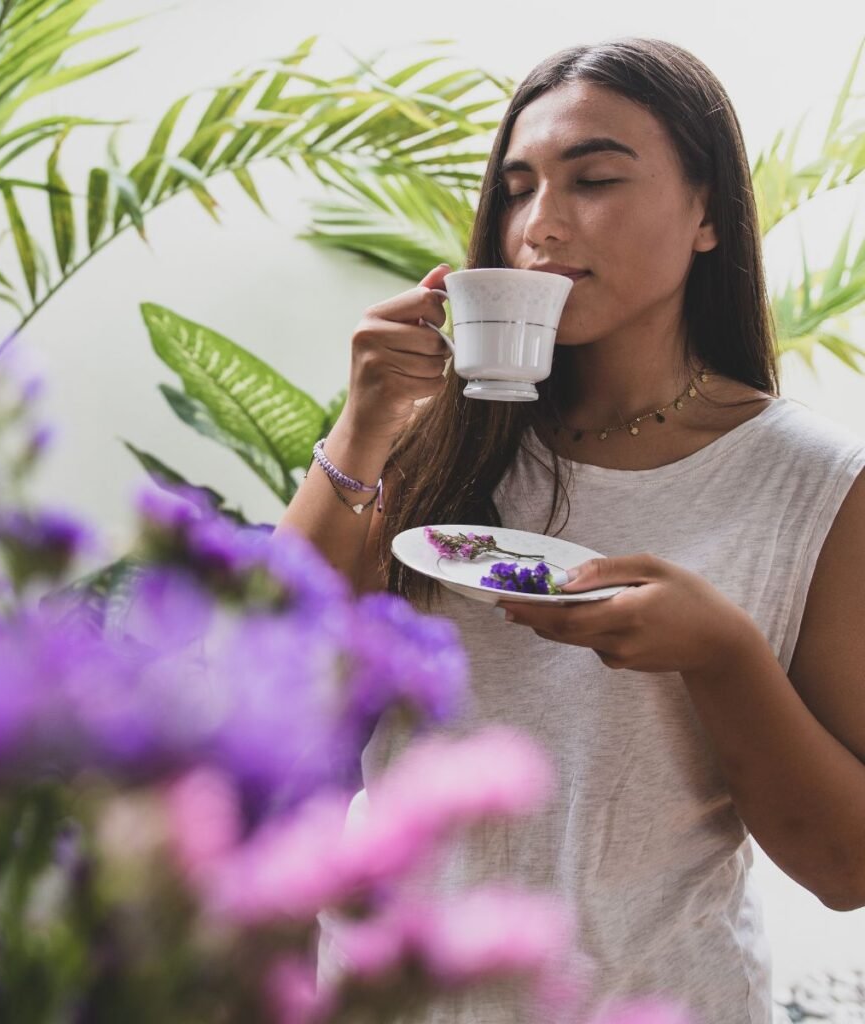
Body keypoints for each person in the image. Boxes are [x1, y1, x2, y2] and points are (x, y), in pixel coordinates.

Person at [276, 36, 865, 1024]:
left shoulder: (815, 484)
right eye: (515, 188)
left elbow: (844, 866)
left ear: (709, 214)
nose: (538, 226)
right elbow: (269, 669)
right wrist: (361, 426)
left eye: (591, 179)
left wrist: (720, 653)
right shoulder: (423, 441)